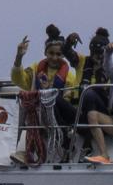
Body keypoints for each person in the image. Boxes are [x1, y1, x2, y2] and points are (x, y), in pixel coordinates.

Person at [10, 32, 82, 165]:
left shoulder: (70, 76)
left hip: (58, 117)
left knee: (47, 102)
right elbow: (18, 80)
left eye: (58, 54)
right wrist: (19, 56)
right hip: (36, 115)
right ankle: (14, 148)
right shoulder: (35, 69)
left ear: (63, 55)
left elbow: (67, 103)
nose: (54, 57)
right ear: (45, 53)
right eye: (51, 53)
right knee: (23, 104)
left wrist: (48, 91)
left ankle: (57, 146)